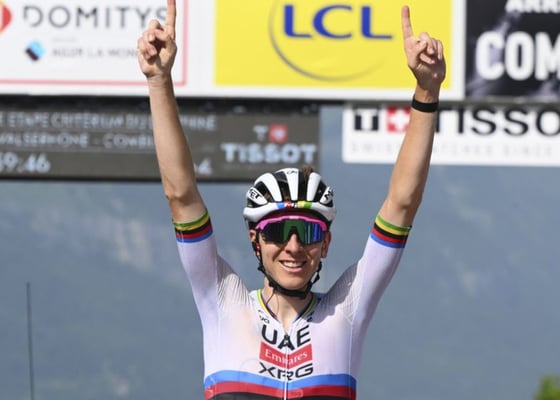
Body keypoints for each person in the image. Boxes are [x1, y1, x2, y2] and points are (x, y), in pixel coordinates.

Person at [137, 1, 445, 399]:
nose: (294, 247)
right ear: (256, 240)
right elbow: (180, 195)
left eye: (309, 232)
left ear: (326, 243)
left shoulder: (346, 310)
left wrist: (426, 91)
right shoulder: (222, 302)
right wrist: (159, 80)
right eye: (279, 232)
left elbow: (401, 205)